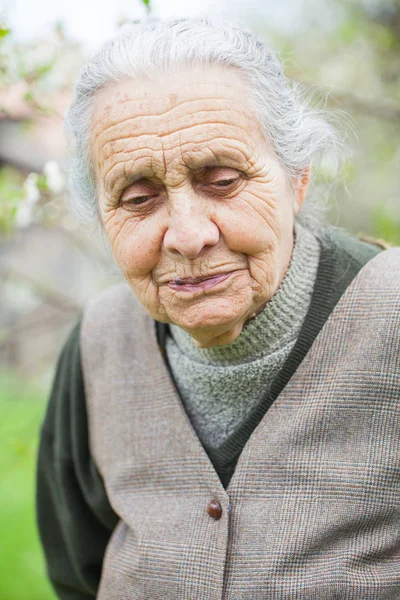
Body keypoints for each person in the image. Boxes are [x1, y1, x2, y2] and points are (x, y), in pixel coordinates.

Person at [36, 18, 400, 600]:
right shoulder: (96, 345)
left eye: (223, 181)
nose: (187, 235)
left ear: (297, 177)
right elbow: (78, 572)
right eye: (137, 198)